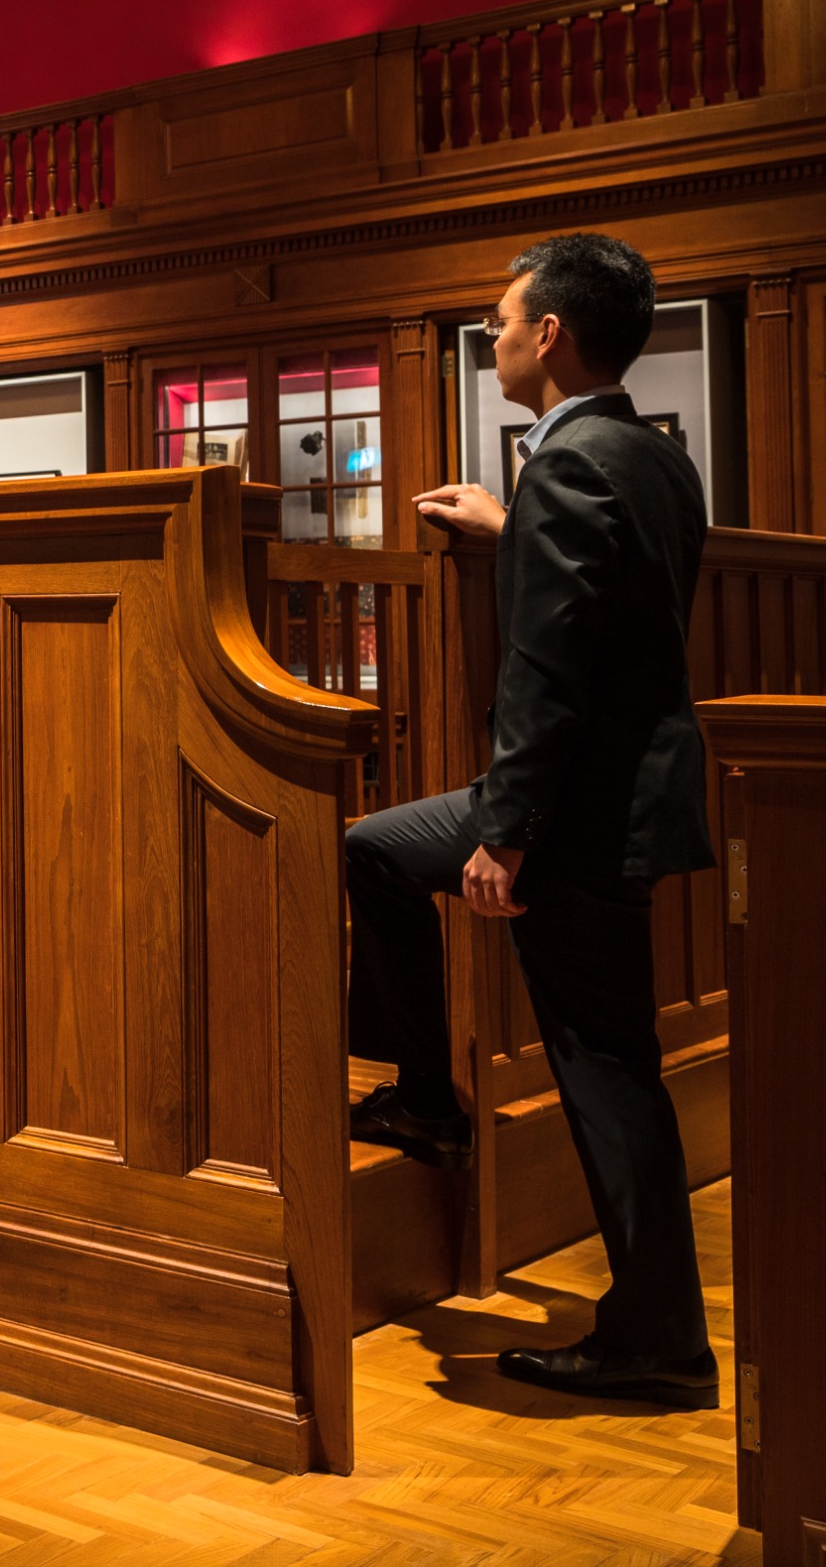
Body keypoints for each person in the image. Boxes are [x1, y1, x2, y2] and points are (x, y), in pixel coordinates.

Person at [344, 231, 717, 1408]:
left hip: (569, 813)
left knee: (606, 1069)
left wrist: (503, 835)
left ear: (550, 334)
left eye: (502, 322)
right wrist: (519, 532)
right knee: (377, 852)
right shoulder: (649, 456)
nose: (494, 338)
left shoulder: (569, 466)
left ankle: (656, 1339)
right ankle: (424, 1100)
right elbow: (617, 599)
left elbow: (551, 676)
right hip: (623, 797)